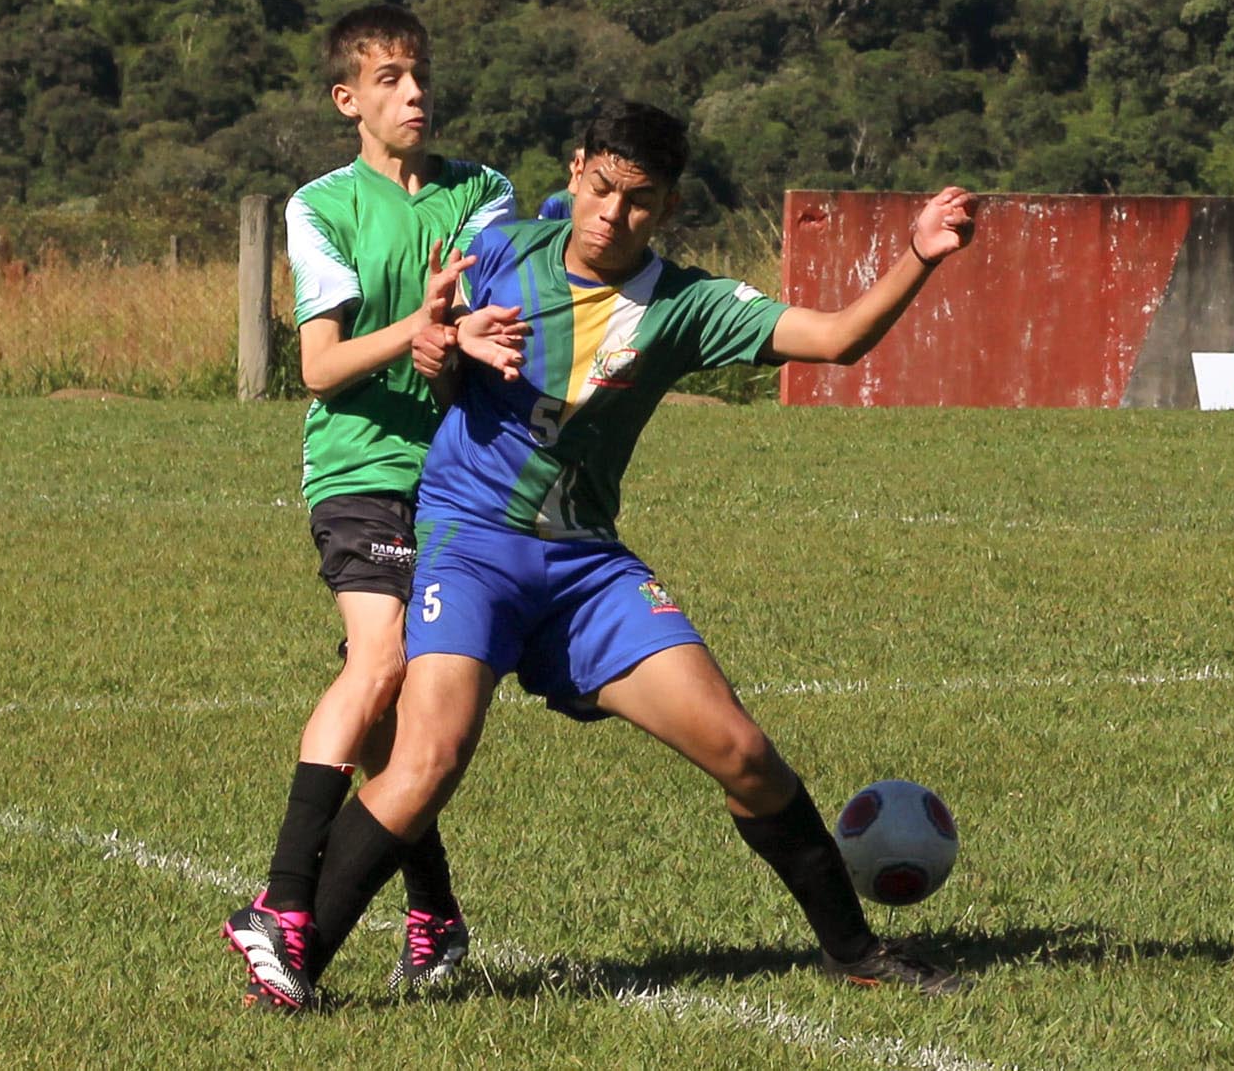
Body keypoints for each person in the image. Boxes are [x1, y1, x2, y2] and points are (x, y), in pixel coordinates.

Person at [275, 100, 977, 1004]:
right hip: (471, 548)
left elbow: (837, 339)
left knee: (743, 752)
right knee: (426, 763)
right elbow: (431, 356)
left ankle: (855, 952)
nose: (612, 214)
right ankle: (294, 968)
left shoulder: (683, 306)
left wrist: (918, 254)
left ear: (668, 206)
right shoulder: (500, 251)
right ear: (575, 173)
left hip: (584, 568)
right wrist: (443, 342)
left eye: (638, 200)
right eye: (601, 188)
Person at [223, 4, 517, 1012]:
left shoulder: (485, 195)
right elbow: (319, 367)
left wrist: (460, 340)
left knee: (412, 710)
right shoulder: (323, 206)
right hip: (360, 471)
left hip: (462, 479)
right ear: (348, 100)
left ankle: (431, 910)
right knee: (379, 660)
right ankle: (284, 903)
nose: (415, 93)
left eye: (420, 75)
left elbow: (488, 324)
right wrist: (416, 333)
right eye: (390, 78)